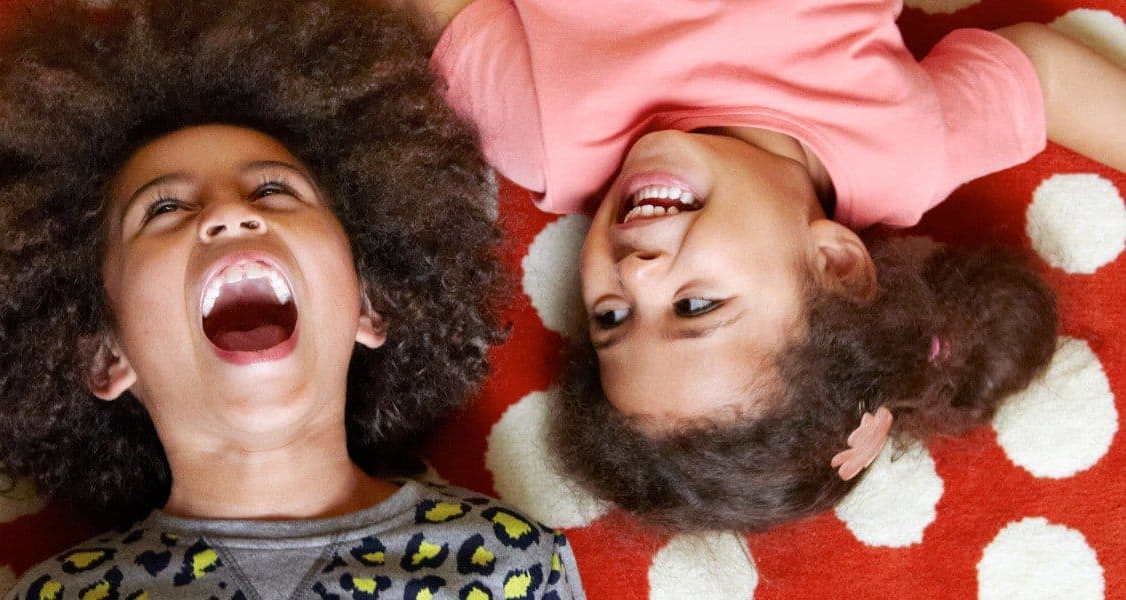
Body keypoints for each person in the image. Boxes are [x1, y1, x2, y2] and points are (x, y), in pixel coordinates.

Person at [0, 0, 584, 595]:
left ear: (371, 307)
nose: (228, 214)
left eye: (275, 190)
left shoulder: (513, 567)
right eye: (161, 211)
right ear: (105, 353)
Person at [384, 0, 1125, 531]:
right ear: (835, 264)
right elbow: (1045, 81)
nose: (634, 272)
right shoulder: (901, 152)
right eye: (695, 307)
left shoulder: (544, 138)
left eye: (611, 319)